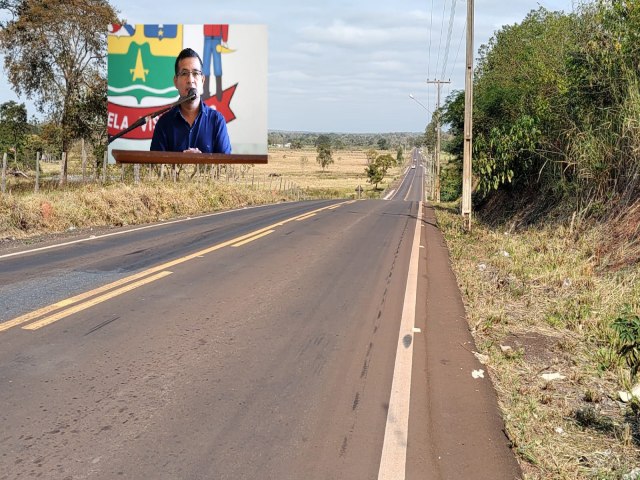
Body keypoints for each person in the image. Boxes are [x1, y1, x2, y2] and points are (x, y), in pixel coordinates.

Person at [150, 48, 231, 154]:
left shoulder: (216, 121)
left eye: (196, 73)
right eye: (184, 73)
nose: (190, 80)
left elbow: (226, 167)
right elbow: (154, 168)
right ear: (176, 81)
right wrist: (181, 164)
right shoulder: (164, 124)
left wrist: (201, 163)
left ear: (202, 80)